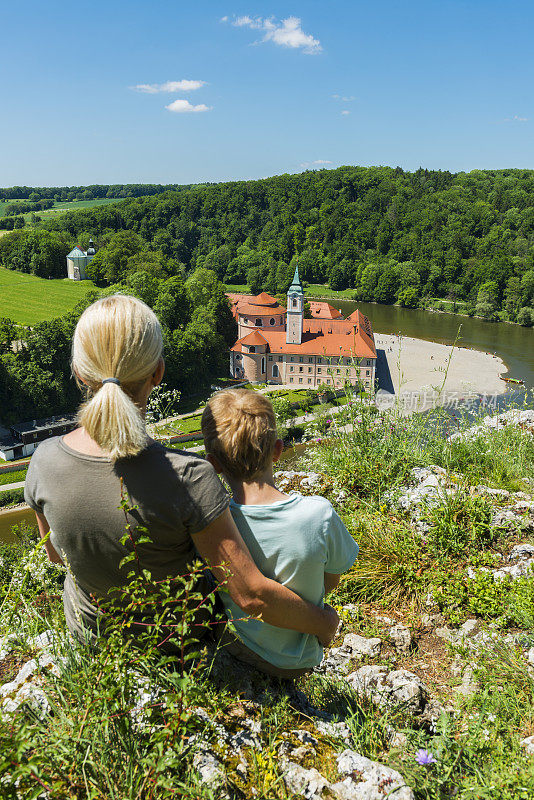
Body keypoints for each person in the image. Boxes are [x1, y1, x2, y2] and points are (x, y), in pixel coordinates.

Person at [24, 295, 339, 651]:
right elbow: (252, 596)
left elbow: (54, 554)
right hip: (175, 651)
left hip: (91, 642)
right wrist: (325, 622)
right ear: (158, 372)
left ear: (81, 374)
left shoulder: (44, 460)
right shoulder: (189, 476)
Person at [201, 389, 359, 678]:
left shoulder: (215, 525)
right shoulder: (318, 514)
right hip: (298, 662)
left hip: (240, 649)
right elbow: (331, 581)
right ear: (277, 449)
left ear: (213, 464)